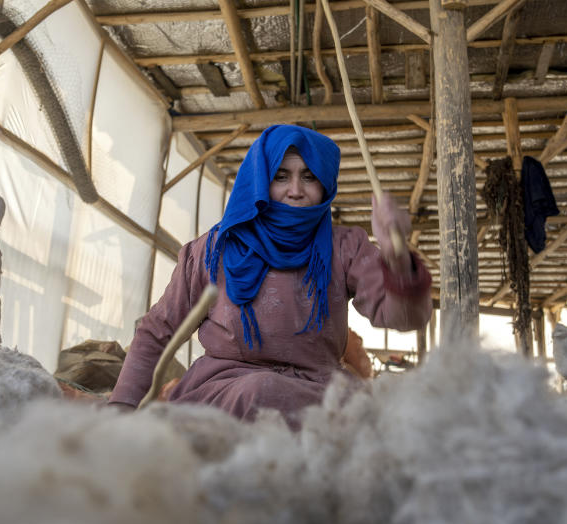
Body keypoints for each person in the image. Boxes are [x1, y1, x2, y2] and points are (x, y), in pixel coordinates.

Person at [109, 124, 431, 427]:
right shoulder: (212, 250)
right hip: (224, 394)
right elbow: (157, 331)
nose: (295, 190)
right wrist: (121, 406)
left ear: (325, 184)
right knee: (260, 392)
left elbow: (405, 318)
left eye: (309, 177)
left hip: (319, 393)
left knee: (381, 416)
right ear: (261, 180)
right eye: (281, 176)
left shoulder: (346, 247)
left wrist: (397, 258)